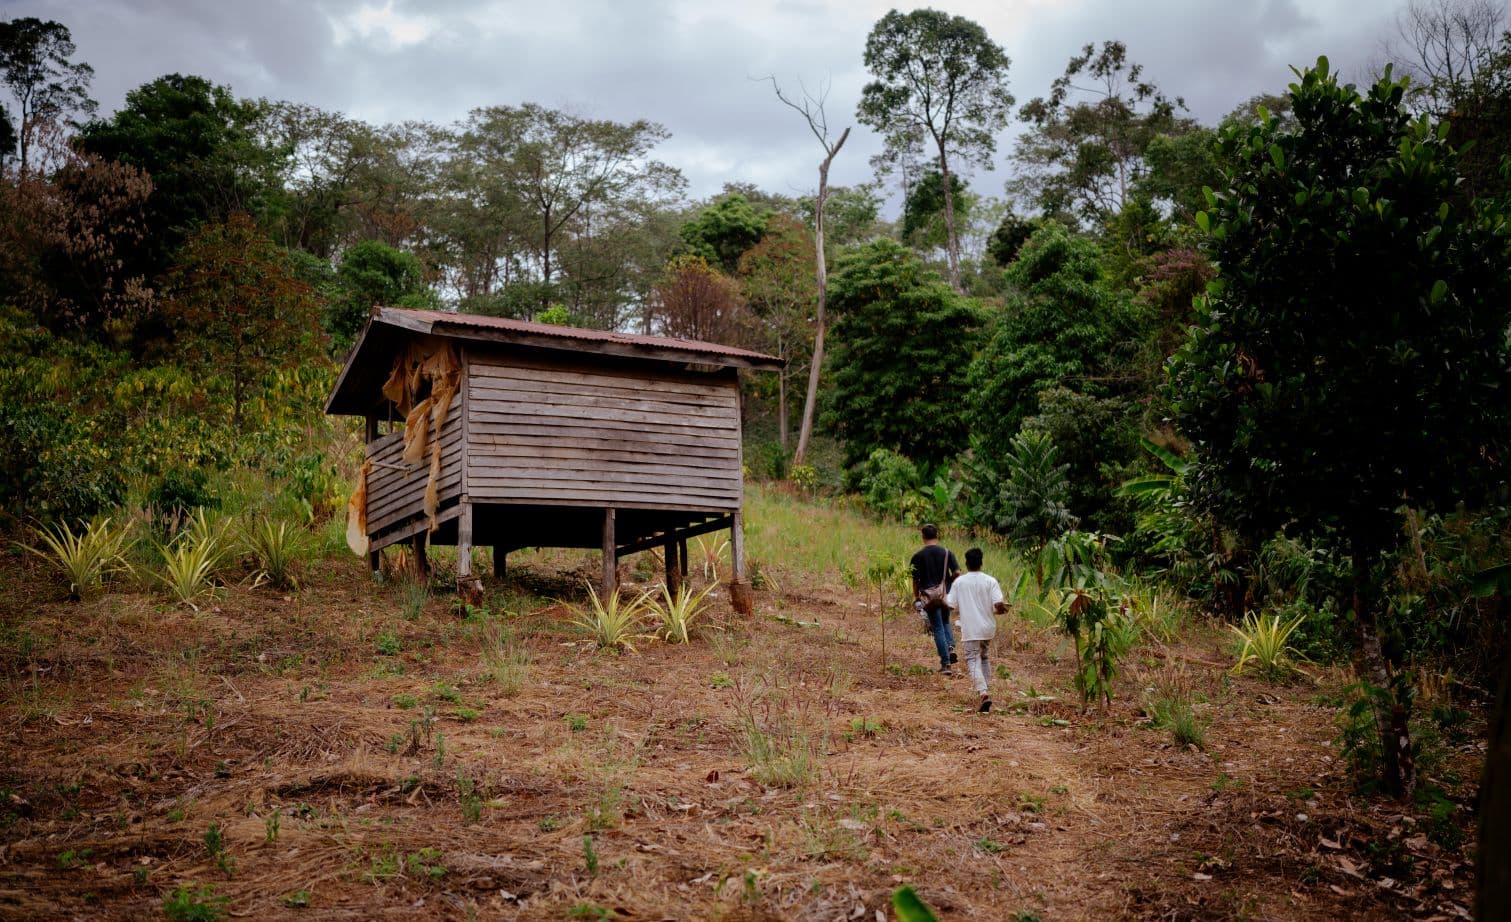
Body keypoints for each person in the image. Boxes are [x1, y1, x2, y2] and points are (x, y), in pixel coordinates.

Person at [946, 547, 1007, 712]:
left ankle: (983, 693)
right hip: (988, 628)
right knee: (984, 657)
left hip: (971, 629)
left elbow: (950, 605)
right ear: (981, 562)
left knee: (973, 659)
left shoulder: (959, 582)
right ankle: (986, 687)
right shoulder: (990, 581)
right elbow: (998, 606)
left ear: (966, 563)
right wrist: (1002, 608)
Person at [910, 523, 960, 675]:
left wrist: (917, 597)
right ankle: (950, 646)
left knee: (937, 627)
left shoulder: (917, 556)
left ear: (923, 536)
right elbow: (957, 572)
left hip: (929, 597)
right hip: (944, 594)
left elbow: (915, 580)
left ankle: (946, 664)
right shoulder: (947, 552)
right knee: (945, 622)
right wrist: (948, 582)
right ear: (937, 535)